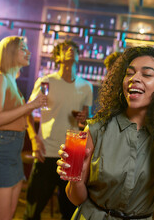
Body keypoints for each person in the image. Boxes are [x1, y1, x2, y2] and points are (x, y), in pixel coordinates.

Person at [56, 46, 154, 219]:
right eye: (129, 73)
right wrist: (75, 178)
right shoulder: (97, 128)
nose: (134, 78)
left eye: (147, 74)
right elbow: (77, 199)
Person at [24, 40, 93, 220]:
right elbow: (28, 111)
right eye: (65, 49)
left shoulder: (86, 86)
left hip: (72, 154)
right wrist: (33, 140)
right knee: (32, 210)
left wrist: (84, 120)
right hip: (46, 151)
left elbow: (87, 123)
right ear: (57, 57)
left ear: (79, 57)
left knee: (70, 213)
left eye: (74, 49)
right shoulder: (46, 82)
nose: (71, 50)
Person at [0, 36, 47, 220]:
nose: (29, 52)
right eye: (23, 49)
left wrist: (34, 138)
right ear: (10, 52)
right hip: (0, 153)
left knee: (8, 216)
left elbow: (21, 118)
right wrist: (30, 105)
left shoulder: (11, 80)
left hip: (13, 154)